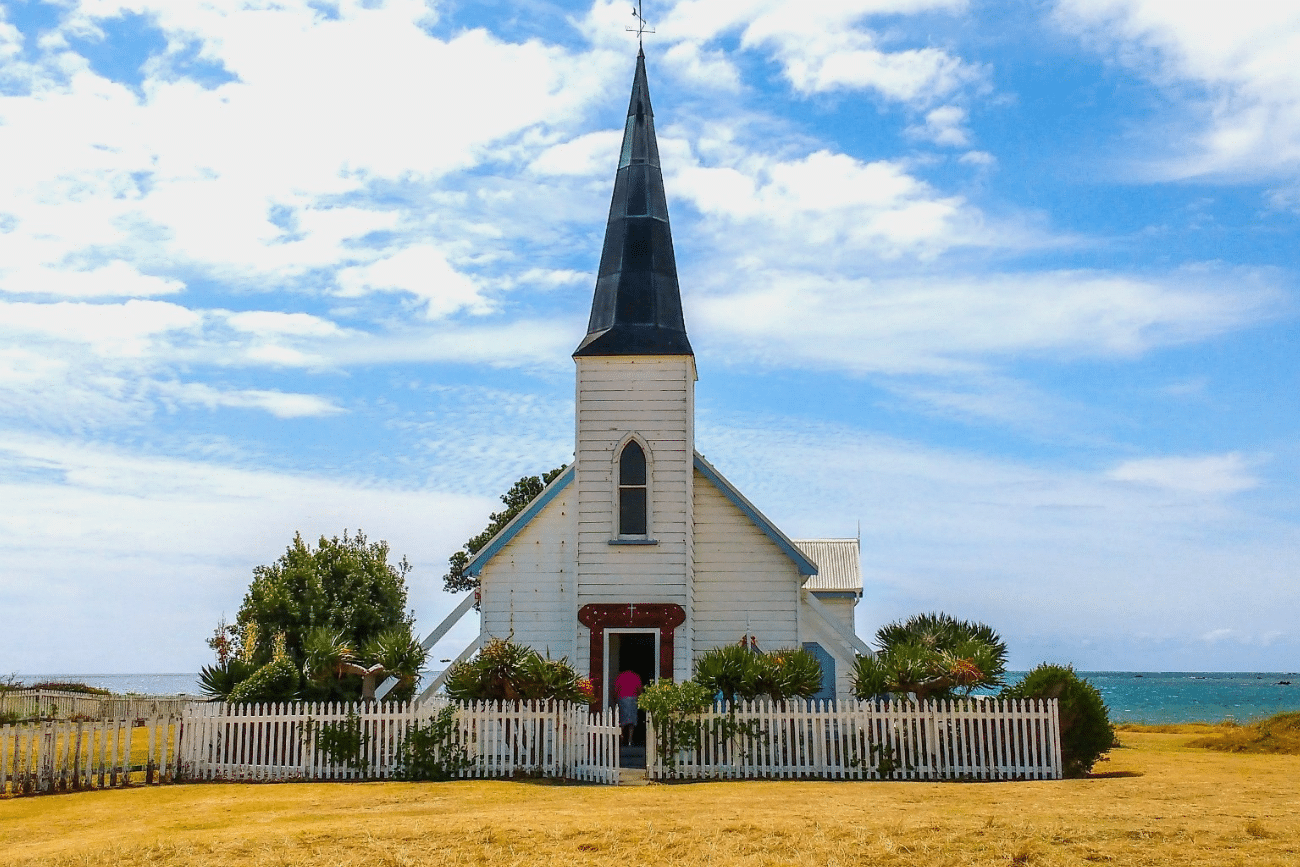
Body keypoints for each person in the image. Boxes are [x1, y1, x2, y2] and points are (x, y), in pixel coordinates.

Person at [613, 668, 642, 747]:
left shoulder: (620, 676)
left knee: (622, 720)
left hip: (622, 698)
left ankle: (621, 739)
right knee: (632, 721)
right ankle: (630, 740)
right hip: (633, 698)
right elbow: (639, 689)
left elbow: (616, 689)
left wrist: (615, 699)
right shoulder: (636, 676)